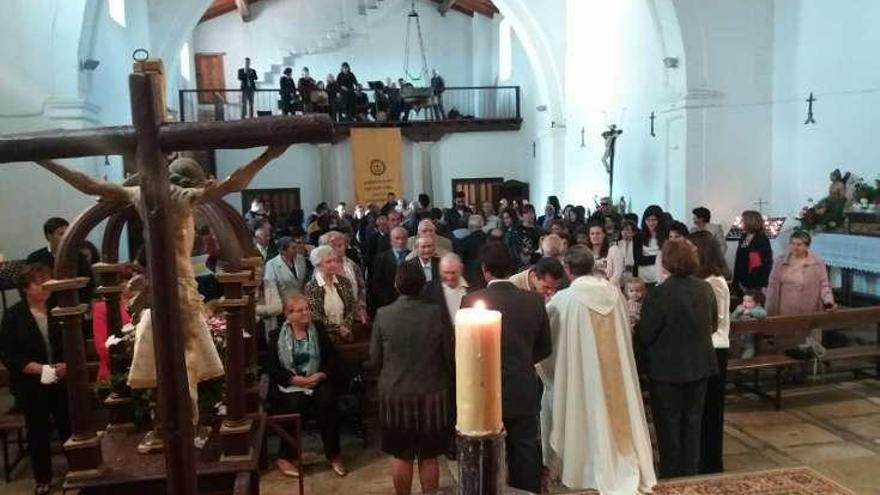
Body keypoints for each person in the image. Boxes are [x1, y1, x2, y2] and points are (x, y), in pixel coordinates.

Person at [35, 146, 290, 426]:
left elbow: (87, 183)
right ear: (193, 184)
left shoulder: (139, 195)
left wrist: (44, 159)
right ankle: (187, 422)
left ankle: (165, 422)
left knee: (163, 358)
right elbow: (235, 182)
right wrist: (269, 156)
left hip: (156, 288)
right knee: (188, 356)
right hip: (180, 287)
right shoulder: (184, 198)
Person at [539, 246, 656, 493]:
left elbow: (546, 346)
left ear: (568, 271)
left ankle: (586, 470)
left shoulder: (563, 301)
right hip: (617, 378)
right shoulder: (615, 295)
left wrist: (549, 374)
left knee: (584, 417)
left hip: (582, 379)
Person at [461, 242, 552, 494]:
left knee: (486, 451)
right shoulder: (533, 301)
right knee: (524, 448)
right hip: (522, 386)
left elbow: (464, 347)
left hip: (484, 390)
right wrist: (522, 361)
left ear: (484, 270)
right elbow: (545, 348)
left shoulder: (471, 300)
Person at [371, 262, 453, 495]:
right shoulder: (435, 313)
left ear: (397, 284)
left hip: (395, 393)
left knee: (401, 455)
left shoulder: (383, 314)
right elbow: (448, 353)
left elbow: (374, 358)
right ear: (423, 285)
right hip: (432, 392)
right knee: (429, 456)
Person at [638, 240, 718, 478]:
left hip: (666, 370)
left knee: (668, 427)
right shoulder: (705, 289)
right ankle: (690, 474)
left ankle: (672, 477)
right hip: (699, 365)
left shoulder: (659, 294)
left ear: (667, 261)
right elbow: (713, 325)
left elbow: (646, 334)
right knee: (693, 425)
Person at [0, 264, 70, 495]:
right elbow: (10, 355)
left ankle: (77, 471)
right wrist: (42, 369)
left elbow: (73, 342)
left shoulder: (59, 308)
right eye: (39, 282)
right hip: (31, 381)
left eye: (48, 280)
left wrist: (65, 364)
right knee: (38, 430)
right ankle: (43, 479)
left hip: (61, 377)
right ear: (25, 288)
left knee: (68, 426)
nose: (46, 286)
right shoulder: (13, 316)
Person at [266, 294, 346, 478]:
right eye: (300, 310)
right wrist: (293, 380)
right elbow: (271, 366)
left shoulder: (318, 329)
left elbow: (333, 358)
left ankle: (334, 454)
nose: (306, 313)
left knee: (327, 402)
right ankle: (286, 457)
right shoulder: (276, 335)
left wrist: (321, 374)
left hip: (317, 379)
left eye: (307, 308)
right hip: (291, 383)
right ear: (288, 314)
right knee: (295, 405)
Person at [690, 230, 731, 474]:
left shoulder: (715, 282)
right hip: (706, 347)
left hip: (714, 348)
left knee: (711, 411)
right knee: (702, 410)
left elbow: (715, 321)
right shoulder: (703, 280)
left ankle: (711, 463)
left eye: (693, 249)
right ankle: (702, 460)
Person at [765, 231, 836, 349]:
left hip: (808, 308)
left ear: (807, 246)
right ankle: (784, 365)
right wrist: (769, 308)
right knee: (785, 342)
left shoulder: (817, 262)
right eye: (792, 243)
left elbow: (824, 284)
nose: (795, 247)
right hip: (785, 308)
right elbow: (772, 285)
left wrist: (829, 301)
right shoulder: (780, 261)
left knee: (806, 343)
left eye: (799, 244)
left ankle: (808, 365)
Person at [27, 217, 96, 302]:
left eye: (68, 233)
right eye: (61, 234)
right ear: (49, 237)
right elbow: (30, 286)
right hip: (47, 303)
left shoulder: (78, 256)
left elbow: (89, 283)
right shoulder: (35, 258)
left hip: (76, 302)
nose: (66, 237)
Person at [304, 245, 356, 345]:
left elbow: (351, 307)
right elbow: (315, 315)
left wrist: (346, 326)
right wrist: (338, 329)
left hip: (347, 333)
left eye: (335, 261)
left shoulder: (344, 282)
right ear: (318, 265)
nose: (333, 264)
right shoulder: (311, 287)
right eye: (328, 262)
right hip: (325, 337)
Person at [321, 231, 368, 324]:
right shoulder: (321, 269)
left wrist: (361, 307)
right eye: (333, 246)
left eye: (340, 245)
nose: (338, 249)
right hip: (332, 316)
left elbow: (361, 287)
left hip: (355, 314)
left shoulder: (351, 265)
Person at [421, 253, 469, 337]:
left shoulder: (473, 288)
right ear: (440, 270)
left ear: (461, 269)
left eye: (453, 273)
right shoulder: (429, 290)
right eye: (446, 273)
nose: (449, 277)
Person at [263, 236, 311, 308]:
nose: (296, 250)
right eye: (293, 248)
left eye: (296, 247)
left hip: (301, 302)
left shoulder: (300, 259)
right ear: (282, 251)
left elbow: (304, 282)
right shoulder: (271, 264)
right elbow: (271, 288)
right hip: (283, 305)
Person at [370, 227, 410, 312]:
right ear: (391, 241)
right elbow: (376, 285)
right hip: (388, 304)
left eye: (403, 238)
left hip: (410, 304)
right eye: (397, 238)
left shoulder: (413, 256)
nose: (401, 241)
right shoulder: (381, 259)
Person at [732, 210, 773, 293]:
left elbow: (759, 262)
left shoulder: (761, 239)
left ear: (750, 222)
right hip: (742, 276)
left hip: (754, 280)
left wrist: (750, 281)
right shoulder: (744, 236)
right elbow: (739, 257)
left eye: (743, 220)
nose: (741, 222)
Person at [634, 205, 667, 286]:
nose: (651, 223)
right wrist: (658, 257)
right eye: (648, 220)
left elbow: (667, 258)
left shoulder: (666, 236)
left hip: (662, 279)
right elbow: (638, 259)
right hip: (644, 279)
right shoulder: (639, 236)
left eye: (654, 220)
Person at [584, 221, 625, 286]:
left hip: (610, 290)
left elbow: (618, 273)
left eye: (598, 233)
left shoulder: (613, 250)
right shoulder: (585, 253)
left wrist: (606, 288)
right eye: (592, 234)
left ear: (604, 235)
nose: (595, 236)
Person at [456, 214, 488, 286]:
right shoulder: (489, 240)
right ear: (482, 225)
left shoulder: (463, 242)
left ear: (469, 226)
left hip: (469, 277)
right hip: (487, 275)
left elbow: (460, 260)